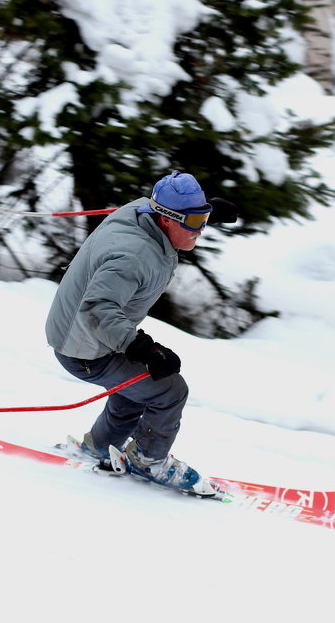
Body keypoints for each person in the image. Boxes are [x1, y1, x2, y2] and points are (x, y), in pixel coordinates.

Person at [45, 170, 237, 492]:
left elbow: (170, 210)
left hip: (80, 333)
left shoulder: (143, 212)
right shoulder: (134, 256)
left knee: (136, 388)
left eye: (203, 218)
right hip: (83, 346)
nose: (200, 231)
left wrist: (206, 212)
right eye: (194, 223)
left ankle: (98, 448)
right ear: (165, 220)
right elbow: (97, 308)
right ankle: (149, 460)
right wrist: (140, 347)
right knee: (170, 390)